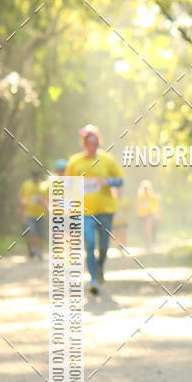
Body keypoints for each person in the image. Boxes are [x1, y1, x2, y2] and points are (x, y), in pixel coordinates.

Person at [65, 125, 123, 295]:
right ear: (84, 144)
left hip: (105, 210)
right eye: (89, 143)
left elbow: (120, 180)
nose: (93, 146)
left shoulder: (107, 159)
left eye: (95, 143)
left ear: (99, 143)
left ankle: (100, 268)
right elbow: (68, 185)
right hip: (84, 212)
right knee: (90, 243)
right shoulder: (74, 162)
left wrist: (108, 182)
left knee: (104, 245)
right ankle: (93, 279)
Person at [19, 168, 46, 259]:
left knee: (41, 234)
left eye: (37, 176)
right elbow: (22, 197)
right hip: (29, 213)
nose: (35, 177)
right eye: (34, 175)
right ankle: (33, 249)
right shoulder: (26, 185)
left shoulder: (43, 185)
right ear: (31, 176)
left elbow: (48, 198)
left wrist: (44, 201)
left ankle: (40, 252)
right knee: (31, 231)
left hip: (41, 214)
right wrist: (22, 210)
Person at [136, 180, 161, 250]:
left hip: (150, 214)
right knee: (144, 230)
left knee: (148, 228)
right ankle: (145, 242)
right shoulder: (140, 197)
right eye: (144, 188)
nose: (146, 190)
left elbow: (156, 207)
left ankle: (148, 243)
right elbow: (138, 206)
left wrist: (158, 214)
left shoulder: (152, 197)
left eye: (147, 188)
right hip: (142, 215)